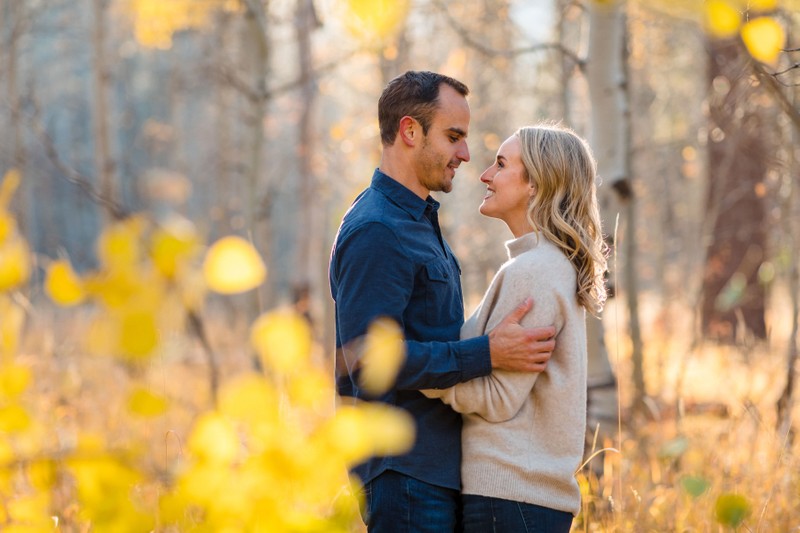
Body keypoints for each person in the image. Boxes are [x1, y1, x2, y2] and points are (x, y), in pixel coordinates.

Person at [328, 71, 557, 533]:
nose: (465, 154)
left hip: (435, 473)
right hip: (404, 473)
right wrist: (487, 353)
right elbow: (369, 363)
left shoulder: (417, 221)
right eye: (453, 137)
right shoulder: (377, 228)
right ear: (410, 131)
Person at [423, 123, 608, 532]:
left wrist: (419, 371)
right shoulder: (542, 266)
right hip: (520, 502)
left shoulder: (536, 271)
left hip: (510, 499)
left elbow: (498, 397)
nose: (486, 174)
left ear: (535, 185)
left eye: (501, 164)